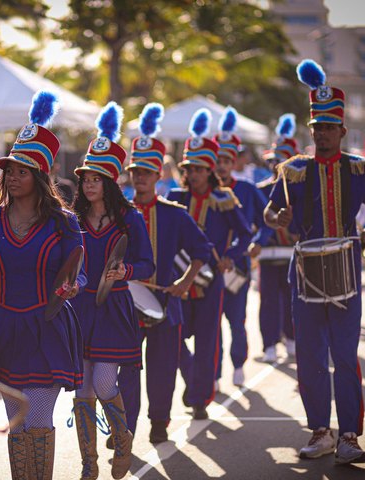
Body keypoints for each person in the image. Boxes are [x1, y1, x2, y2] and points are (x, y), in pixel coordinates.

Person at [263, 59, 365, 464]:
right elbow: (269, 212)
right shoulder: (292, 171)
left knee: (344, 355)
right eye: (316, 127)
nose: (321, 133)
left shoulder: (359, 169)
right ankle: (320, 432)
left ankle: (349, 436)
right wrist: (278, 219)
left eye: (328, 126)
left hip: (346, 272)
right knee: (309, 356)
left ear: (342, 130)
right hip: (304, 274)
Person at [0, 91, 85, 480]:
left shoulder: (64, 222)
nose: (13, 178)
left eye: (22, 171)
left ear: (40, 178)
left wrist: (74, 287)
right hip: (4, 325)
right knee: (16, 422)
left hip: (47, 325)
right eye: (10, 171)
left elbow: (77, 270)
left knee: (38, 419)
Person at [116, 103, 211, 445]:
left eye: (146, 172)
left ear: (158, 175)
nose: (139, 177)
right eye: (135, 172)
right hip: (125, 305)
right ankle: (125, 428)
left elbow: (202, 251)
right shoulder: (119, 212)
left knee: (162, 370)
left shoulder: (174, 214)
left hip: (166, 305)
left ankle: (159, 421)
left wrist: (185, 282)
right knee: (126, 370)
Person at [70, 102, 155, 479]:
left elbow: (148, 265)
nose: (89, 184)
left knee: (104, 382)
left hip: (113, 309)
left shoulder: (130, 218)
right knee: (82, 390)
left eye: (96, 178)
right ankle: (89, 464)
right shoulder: (72, 219)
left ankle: (122, 439)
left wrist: (126, 271)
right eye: (86, 178)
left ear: (110, 181)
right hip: (79, 311)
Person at [167, 107, 251, 419]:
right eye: (189, 168)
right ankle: (192, 378)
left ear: (210, 170)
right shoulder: (176, 197)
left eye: (200, 169)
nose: (194, 174)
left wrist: (231, 257)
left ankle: (200, 398)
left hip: (211, 279)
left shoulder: (224, 198)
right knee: (174, 338)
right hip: (179, 279)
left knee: (207, 341)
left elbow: (245, 233)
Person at [212, 106, 264, 387]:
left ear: (234, 162)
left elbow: (267, 220)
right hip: (208, 267)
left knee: (236, 320)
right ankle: (215, 374)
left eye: (226, 160)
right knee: (212, 325)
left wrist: (258, 242)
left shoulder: (247, 189)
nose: (221, 166)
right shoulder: (204, 191)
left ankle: (239, 365)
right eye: (217, 160)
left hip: (238, 267)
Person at [251, 114, 300, 363]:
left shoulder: (300, 190)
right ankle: (269, 344)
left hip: (294, 255)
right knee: (268, 302)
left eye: (280, 161)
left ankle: (292, 340)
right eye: (273, 160)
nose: (274, 165)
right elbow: (253, 222)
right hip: (268, 255)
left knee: (293, 300)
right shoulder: (260, 189)